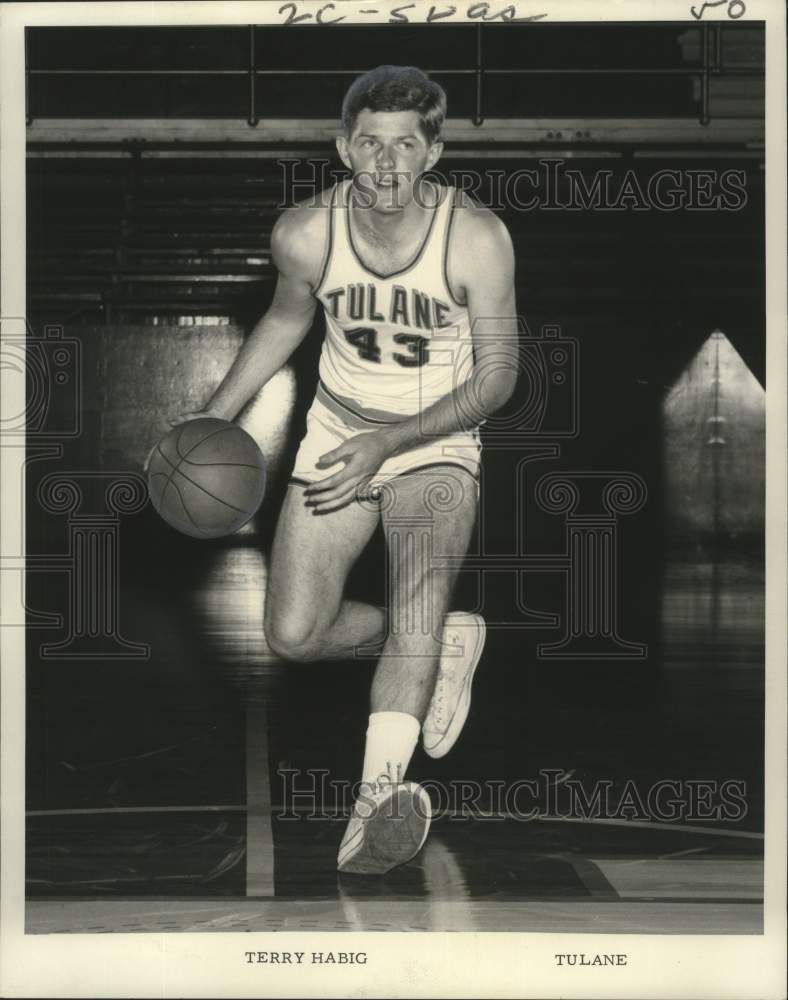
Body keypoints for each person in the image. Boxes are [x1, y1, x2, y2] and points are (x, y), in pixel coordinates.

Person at [173, 66, 518, 874]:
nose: (388, 162)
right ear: (343, 147)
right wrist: (214, 415)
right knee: (293, 636)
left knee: (415, 607)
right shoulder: (305, 232)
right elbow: (286, 319)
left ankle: (376, 807)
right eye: (371, 143)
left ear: (434, 152)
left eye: (407, 144)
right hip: (338, 431)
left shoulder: (476, 238)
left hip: (436, 441)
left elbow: (498, 379)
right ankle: (447, 645)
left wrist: (393, 442)